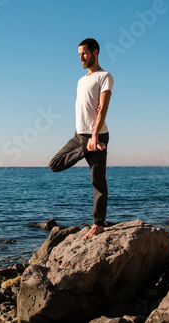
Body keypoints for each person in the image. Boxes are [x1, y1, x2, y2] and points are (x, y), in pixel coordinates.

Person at [48, 38, 114, 240]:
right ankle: (87, 149)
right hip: (79, 136)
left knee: (98, 181)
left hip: (97, 135)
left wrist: (94, 136)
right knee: (54, 164)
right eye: (79, 55)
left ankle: (98, 225)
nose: (81, 58)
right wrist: (86, 144)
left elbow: (103, 109)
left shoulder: (105, 76)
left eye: (84, 53)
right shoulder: (81, 80)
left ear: (95, 52)